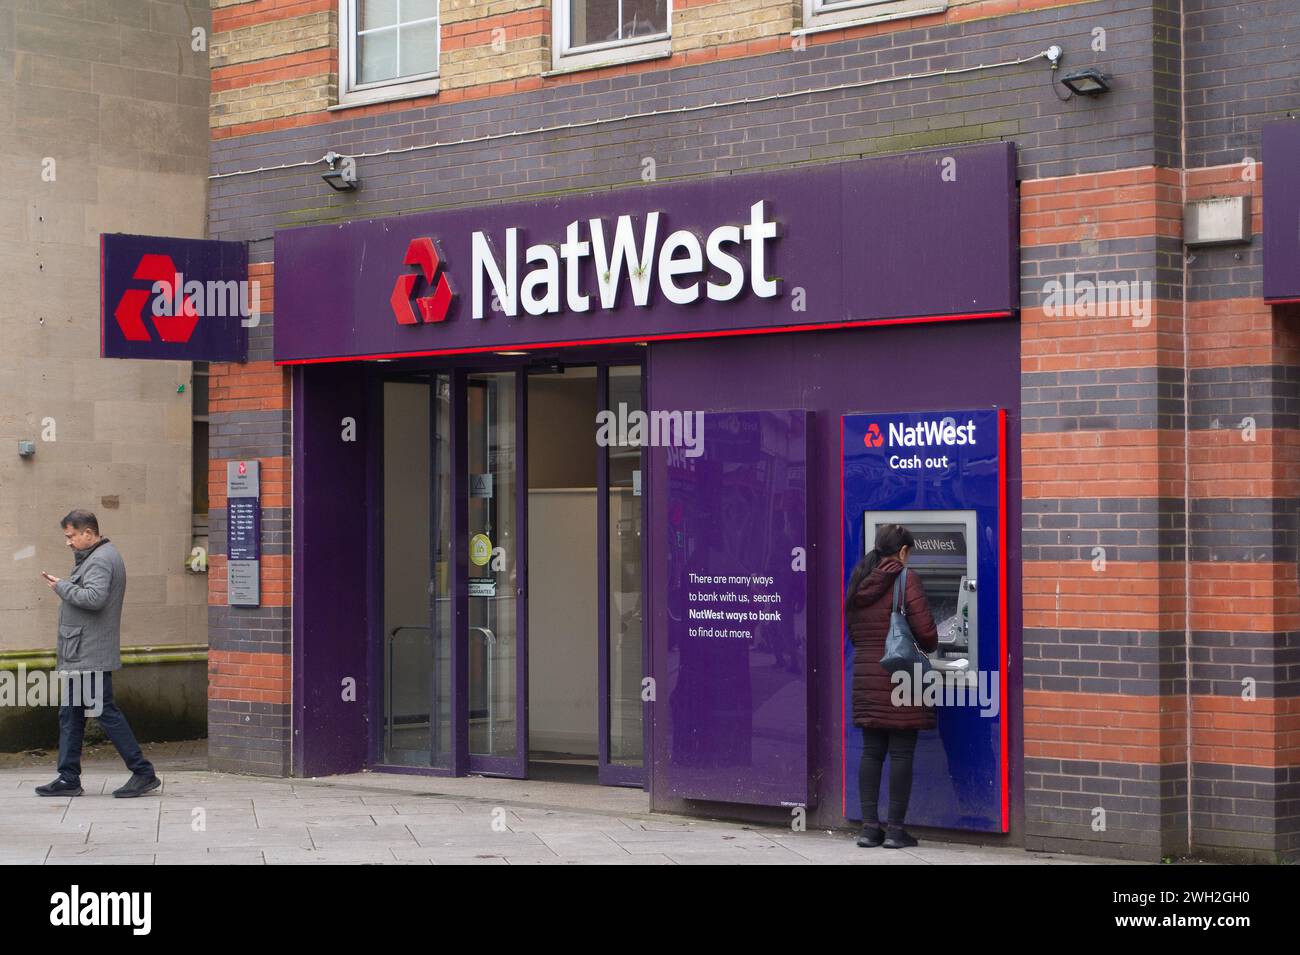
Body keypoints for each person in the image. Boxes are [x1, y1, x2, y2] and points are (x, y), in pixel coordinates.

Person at [34, 510, 160, 799]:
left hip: (89, 651)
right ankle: (68, 778)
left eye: (71, 536)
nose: (68, 542)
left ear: (88, 533)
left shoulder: (102, 559)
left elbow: (94, 598)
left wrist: (61, 586)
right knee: (71, 713)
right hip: (83, 650)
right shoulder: (98, 556)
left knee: (104, 711)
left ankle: (143, 772)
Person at [844, 523, 938, 848]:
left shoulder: (859, 581)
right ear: (902, 552)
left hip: (867, 677)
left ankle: (870, 829)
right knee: (901, 752)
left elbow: (854, 635)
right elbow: (927, 635)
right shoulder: (906, 579)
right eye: (908, 552)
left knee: (872, 752)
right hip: (902, 676)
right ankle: (896, 832)